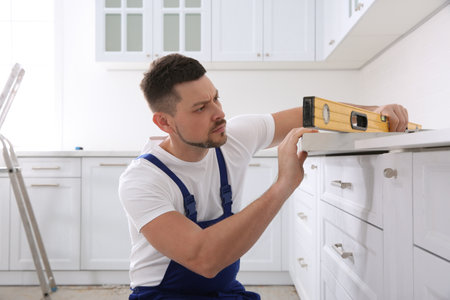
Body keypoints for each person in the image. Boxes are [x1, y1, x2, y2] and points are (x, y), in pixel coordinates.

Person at [118, 54, 409, 300]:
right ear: (164, 122)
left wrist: (374, 112)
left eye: (216, 98)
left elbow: (310, 115)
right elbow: (203, 258)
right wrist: (284, 185)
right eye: (200, 108)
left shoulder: (232, 136)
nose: (219, 113)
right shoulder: (143, 180)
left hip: (226, 291)